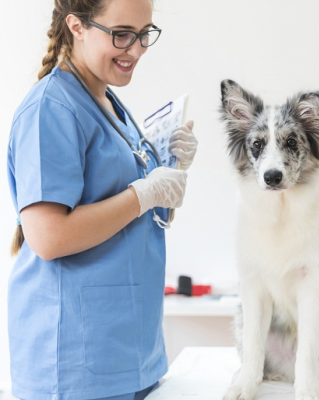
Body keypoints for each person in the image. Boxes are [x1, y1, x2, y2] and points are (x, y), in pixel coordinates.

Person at [6, 1, 198, 400]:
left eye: (145, 34)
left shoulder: (109, 105)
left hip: (129, 351)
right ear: (76, 25)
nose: (137, 49)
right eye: (122, 34)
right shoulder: (50, 109)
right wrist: (144, 193)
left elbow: (135, 222)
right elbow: (48, 237)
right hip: (76, 360)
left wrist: (171, 174)